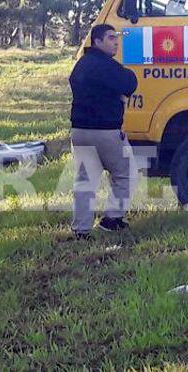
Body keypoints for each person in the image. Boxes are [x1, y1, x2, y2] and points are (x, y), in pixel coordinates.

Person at [68, 24, 138, 240]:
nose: (116, 41)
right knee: (126, 173)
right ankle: (112, 219)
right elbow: (130, 82)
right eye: (110, 38)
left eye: (116, 38)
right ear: (97, 42)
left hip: (79, 131)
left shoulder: (81, 65)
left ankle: (81, 230)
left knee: (85, 182)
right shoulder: (107, 66)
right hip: (106, 131)